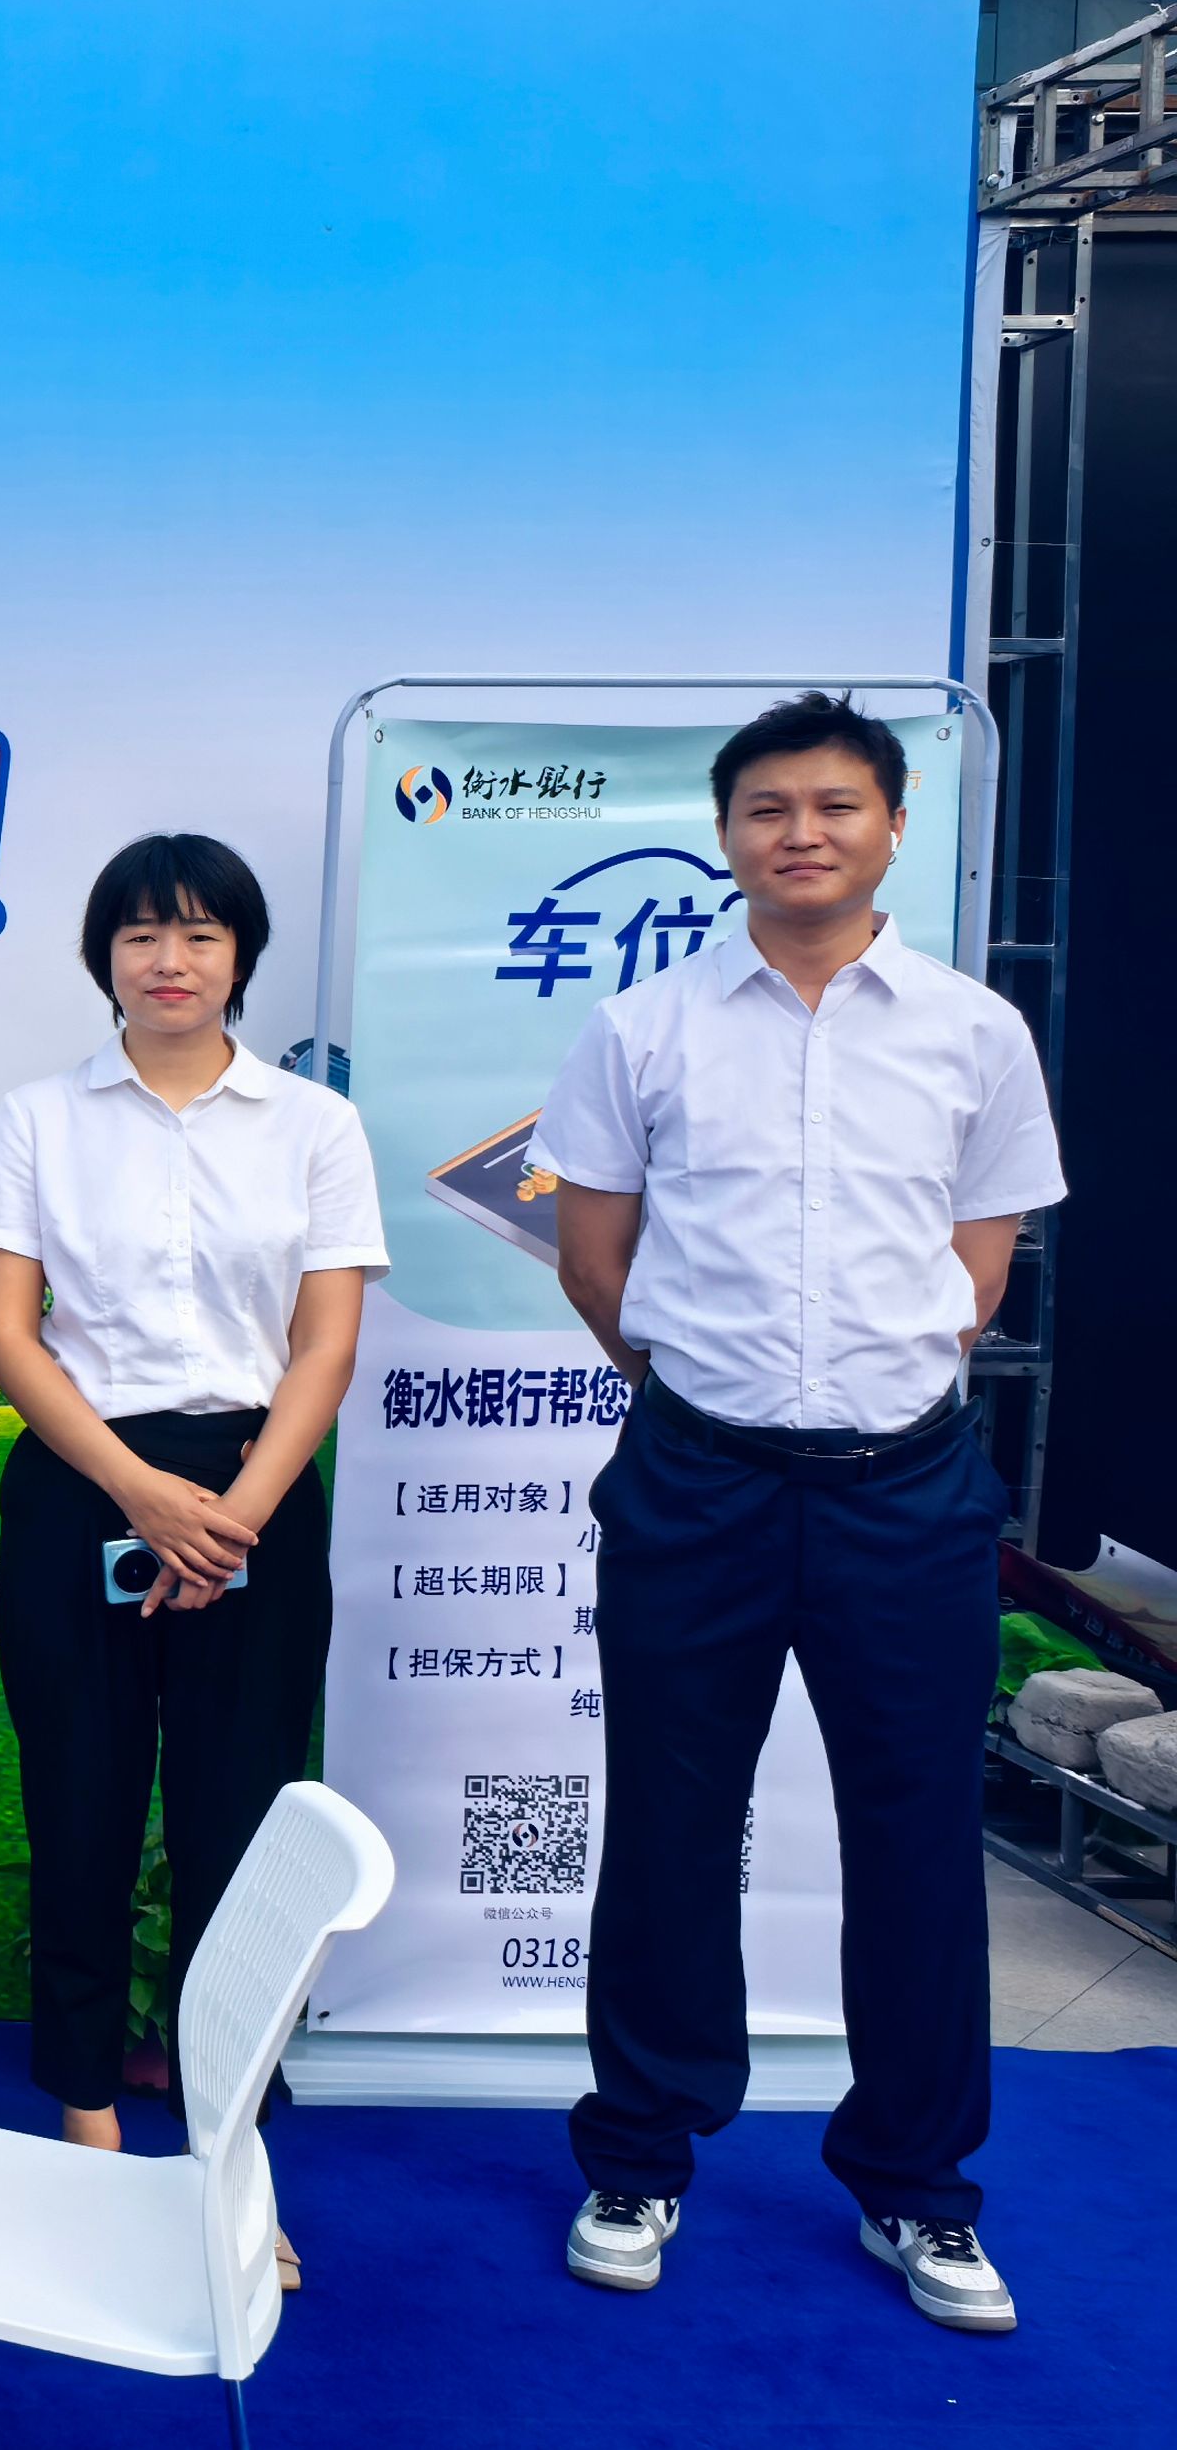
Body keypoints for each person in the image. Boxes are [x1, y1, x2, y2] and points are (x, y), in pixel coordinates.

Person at [532, 692, 1061, 2332]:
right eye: (768, 810)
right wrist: (718, 1388)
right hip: (698, 1484)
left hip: (908, 1493)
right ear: (728, 836)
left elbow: (978, 1270)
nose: (802, 833)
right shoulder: (646, 1028)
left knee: (919, 1841)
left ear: (894, 826)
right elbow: (596, 1260)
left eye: (836, 806)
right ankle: (640, 2156)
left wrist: (862, 1387)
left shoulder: (976, 1032)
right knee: (669, 1827)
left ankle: (920, 2188)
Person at [0, 833, 380, 2287]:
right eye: (141, 935)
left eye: (200, 934)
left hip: (258, 1487)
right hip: (86, 1487)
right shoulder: (39, 1119)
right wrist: (141, 1493)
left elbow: (324, 1343)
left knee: (233, 1835)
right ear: (105, 959)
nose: (171, 960)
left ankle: (223, 2151)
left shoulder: (313, 1125)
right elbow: (7, 1332)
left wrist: (235, 1513)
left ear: (241, 956)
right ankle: (87, 2125)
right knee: (79, 1810)